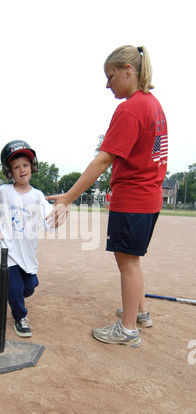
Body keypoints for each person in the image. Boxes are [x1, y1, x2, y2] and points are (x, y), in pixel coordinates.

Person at [46, 45, 168, 348]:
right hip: (150, 197)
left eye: (111, 76)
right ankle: (139, 314)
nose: (107, 84)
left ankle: (127, 330)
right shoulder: (153, 104)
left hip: (133, 198)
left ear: (128, 71)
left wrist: (68, 197)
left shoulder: (130, 108)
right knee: (133, 261)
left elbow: (103, 161)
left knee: (127, 264)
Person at [0, 140, 57, 338]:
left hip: (27, 250)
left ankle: (13, 295)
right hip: (7, 248)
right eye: (16, 167)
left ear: (32, 167)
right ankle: (20, 317)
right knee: (16, 287)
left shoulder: (37, 196)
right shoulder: (4, 191)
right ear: (10, 171)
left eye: (25, 165)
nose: (22, 170)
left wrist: (62, 211)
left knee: (29, 286)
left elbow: (50, 221)